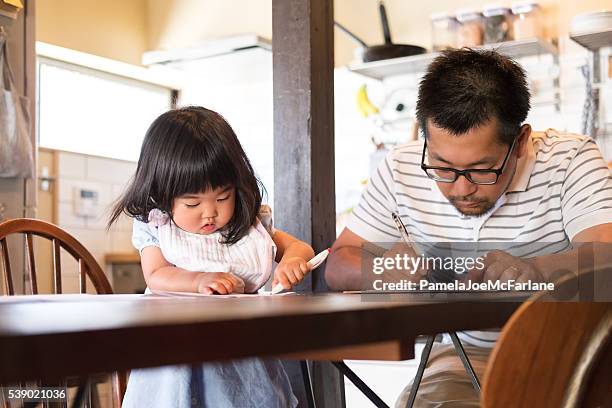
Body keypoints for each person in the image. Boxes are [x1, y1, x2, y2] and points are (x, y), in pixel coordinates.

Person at [325, 49, 612, 407]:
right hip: (462, 357)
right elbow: (338, 264)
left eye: (482, 170)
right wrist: (383, 271)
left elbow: (606, 258)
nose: (461, 189)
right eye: (442, 167)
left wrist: (535, 270)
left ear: (520, 142)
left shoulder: (570, 159)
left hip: (568, 352)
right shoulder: (401, 167)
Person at [108, 106, 314, 408]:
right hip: (175, 355)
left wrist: (294, 260)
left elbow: (298, 247)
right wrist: (199, 280)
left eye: (222, 197)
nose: (210, 212)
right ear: (163, 195)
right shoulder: (158, 224)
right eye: (192, 203)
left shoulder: (249, 224)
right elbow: (156, 273)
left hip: (244, 356)